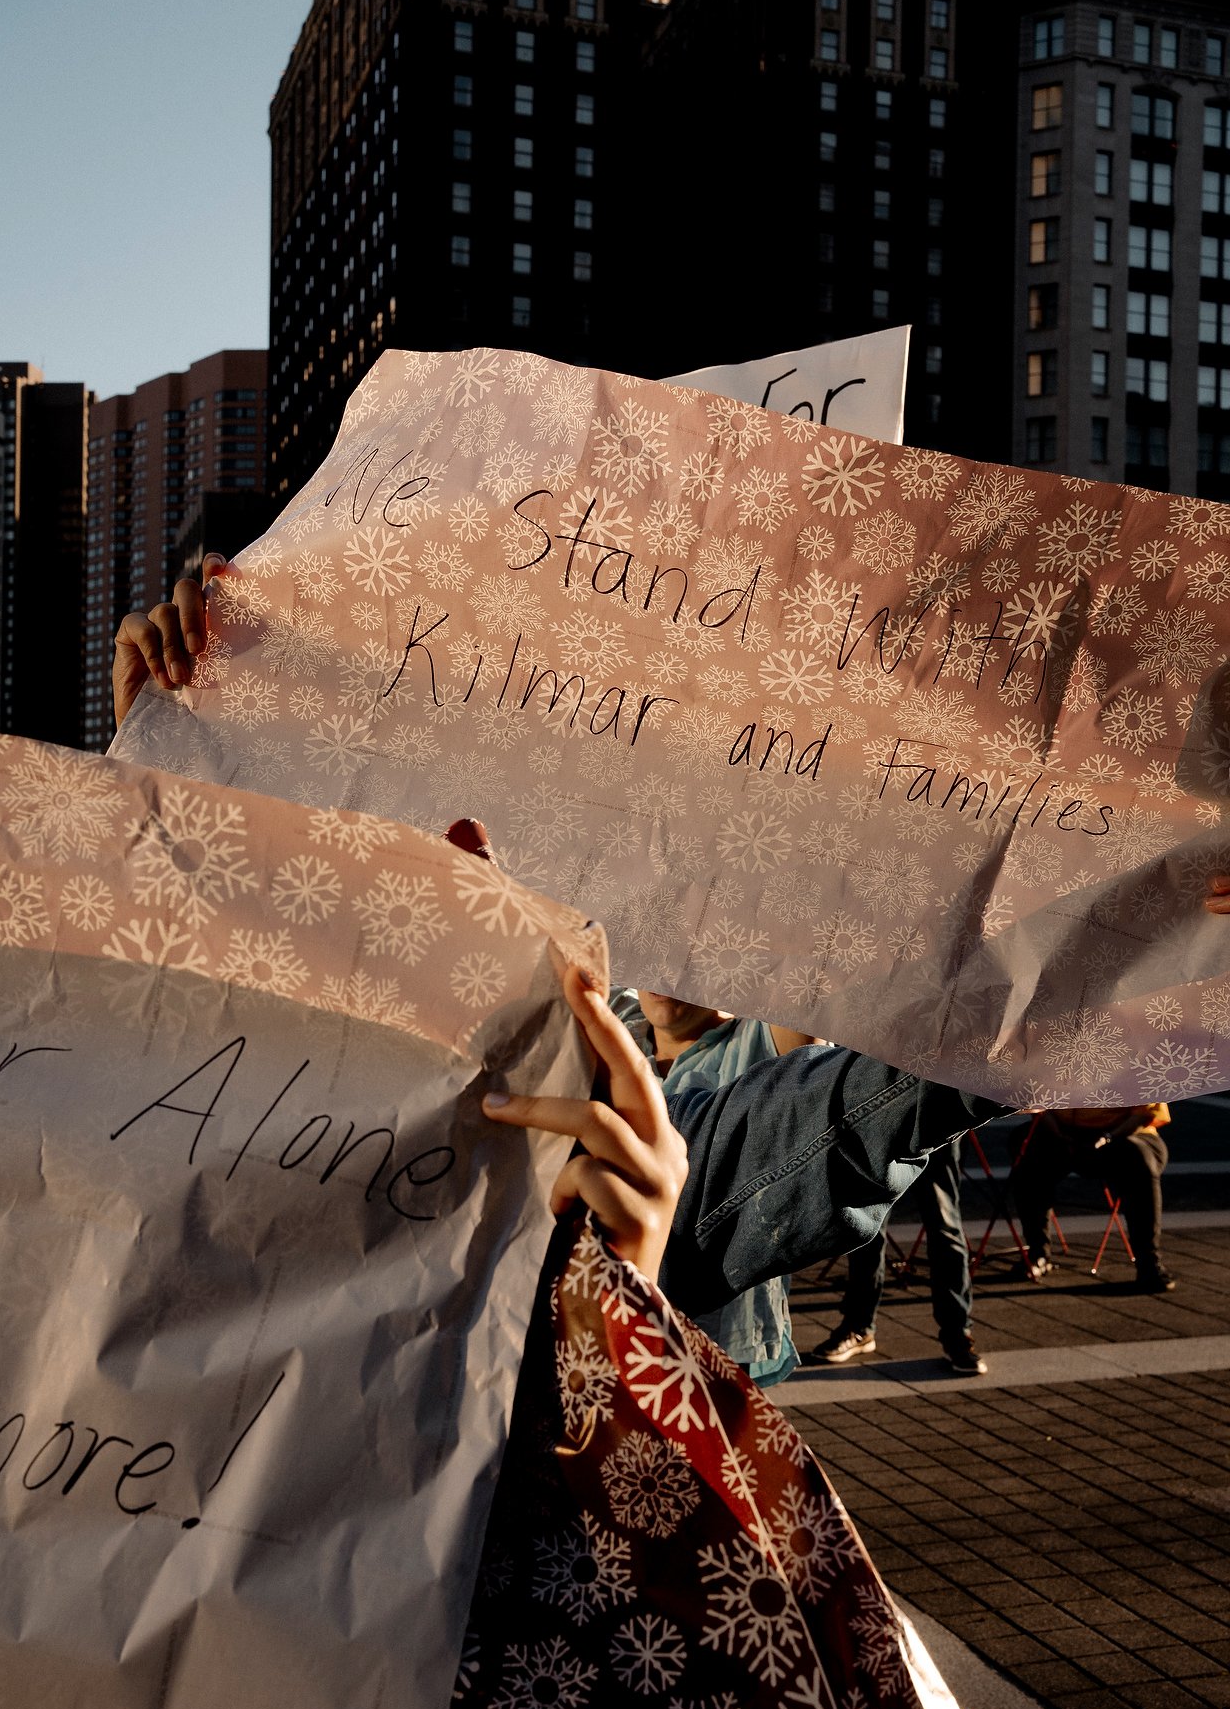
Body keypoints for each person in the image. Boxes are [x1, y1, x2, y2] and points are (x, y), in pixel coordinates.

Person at [112, 563, 1230, 1311]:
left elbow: (800, 1127)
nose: (473, 851)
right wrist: (152, 785)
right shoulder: (114, 1104)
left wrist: (628, 1271)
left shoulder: (556, 1145)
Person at [610, 987, 830, 1385]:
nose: (664, 973)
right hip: (610, 1310)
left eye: (686, 956)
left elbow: (800, 984)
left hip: (718, 1336)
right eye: (657, 948)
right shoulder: (616, 1025)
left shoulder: (757, 1039)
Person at [809, 1137, 986, 1375]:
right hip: (894, 1120)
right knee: (872, 1225)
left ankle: (957, 1334)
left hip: (936, 1118)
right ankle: (859, 1325)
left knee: (943, 1227)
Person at [1010, 1103, 1174, 1291]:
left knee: (1139, 1159)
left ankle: (1149, 1262)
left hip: (1125, 1132)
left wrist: (1108, 1137)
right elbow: (1038, 1104)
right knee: (1024, 1147)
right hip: (1060, 1131)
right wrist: (1059, 1135)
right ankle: (1037, 1253)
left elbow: (1143, 1114)